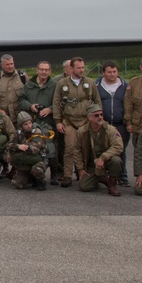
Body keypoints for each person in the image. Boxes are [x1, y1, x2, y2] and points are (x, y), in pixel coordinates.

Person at [52, 57, 101, 187]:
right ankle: (67, 175)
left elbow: (97, 102)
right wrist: (58, 121)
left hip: (86, 122)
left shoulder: (90, 83)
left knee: (86, 149)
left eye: (83, 67)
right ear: (72, 68)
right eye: (79, 68)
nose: (81, 70)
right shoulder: (62, 84)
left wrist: (97, 119)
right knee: (69, 149)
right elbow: (56, 103)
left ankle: (82, 173)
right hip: (69, 121)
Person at [71, 104, 124, 196]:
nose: (100, 117)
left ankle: (112, 184)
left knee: (116, 161)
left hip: (107, 161)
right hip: (91, 163)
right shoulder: (82, 131)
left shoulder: (110, 130)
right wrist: (80, 170)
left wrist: (103, 158)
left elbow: (118, 146)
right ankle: (100, 177)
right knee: (85, 187)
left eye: (101, 114)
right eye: (96, 115)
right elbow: (77, 151)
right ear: (89, 117)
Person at [97, 61, 130, 187]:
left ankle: (122, 176)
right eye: (109, 72)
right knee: (102, 149)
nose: (112, 74)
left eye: (114, 72)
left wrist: (128, 122)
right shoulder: (96, 85)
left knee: (121, 150)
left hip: (120, 123)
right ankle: (102, 175)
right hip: (103, 124)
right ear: (103, 73)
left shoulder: (125, 86)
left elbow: (129, 105)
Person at [8, 112, 48, 191]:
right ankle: (29, 177)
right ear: (21, 125)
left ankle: (41, 181)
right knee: (17, 183)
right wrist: (18, 146)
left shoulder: (37, 132)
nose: (29, 126)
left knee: (36, 170)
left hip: (39, 160)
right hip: (26, 160)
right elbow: (10, 145)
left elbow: (34, 149)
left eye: (30, 123)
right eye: (26, 124)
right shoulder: (18, 133)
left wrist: (20, 149)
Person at [0, 54, 27, 122]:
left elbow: (30, 93)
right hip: (4, 117)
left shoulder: (22, 76)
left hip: (20, 116)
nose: (10, 66)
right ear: (2, 65)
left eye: (11, 64)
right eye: (7, 64)